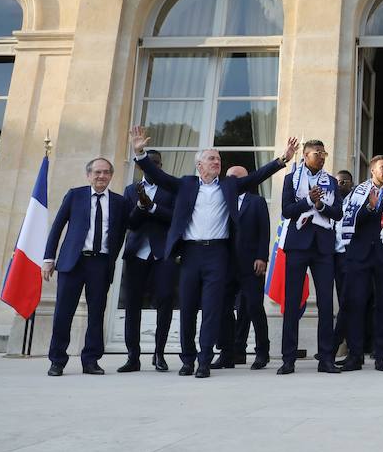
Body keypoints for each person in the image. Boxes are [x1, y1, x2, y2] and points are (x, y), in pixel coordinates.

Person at [129, 126, 298, 378]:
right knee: (187, 307)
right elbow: (160, 176)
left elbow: (257, 177)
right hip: (190, 254)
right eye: (211, 158)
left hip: (218, 254)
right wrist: (140, 153)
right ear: (199, 165)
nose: (217, 161)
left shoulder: (229, 186)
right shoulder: (186, 184)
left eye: (218, 159)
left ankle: (204, 360)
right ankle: (187, 359)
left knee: (212, 308)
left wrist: (283, 159)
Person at [43, 158, 130, 376]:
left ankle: (91, 360)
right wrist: (48, 258)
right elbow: (57, 227)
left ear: (111, 176)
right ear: (88, 175)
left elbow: (118, 235)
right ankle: (57, 361)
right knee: (63, 313)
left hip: (100, 264)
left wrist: (110, 259)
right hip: (72, 262)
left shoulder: (119, 202)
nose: (101, 176)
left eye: (106, 172)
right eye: (97, 172)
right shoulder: (75, 195)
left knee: (96, 314)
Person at [278, 140, 343, 375]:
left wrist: (319, 204)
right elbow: (286, 210)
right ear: (305, 155)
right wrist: (307, 201)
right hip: (298, 244)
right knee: (292, 301)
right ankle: (288, 359)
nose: (323, 157)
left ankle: (326, 358)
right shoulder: (291, 179)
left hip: (323, 247)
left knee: (326, 303)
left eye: (324, 153)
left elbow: (338, 212)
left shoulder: (332, 182)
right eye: (318, 153)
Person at [340, 155, 383, 371]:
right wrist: (370, 208)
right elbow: (350, 221)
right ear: (372, 171)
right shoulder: (359, 191)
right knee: (356, 304)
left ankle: (381, 356)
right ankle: (355, 356)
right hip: (359, 254)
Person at [118, 150, 176, 373]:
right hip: (136, 254)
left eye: (158, 164)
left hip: (163, 254)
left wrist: (153, 207)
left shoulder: (170, 188)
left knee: (165, 301)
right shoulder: (131, 190)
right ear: (141, 166)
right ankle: (133, 356)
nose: (154, 167)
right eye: (150, 164)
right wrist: (141, 206)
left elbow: (175, 217)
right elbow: (130, 223)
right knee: (132, 305)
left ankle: (159, 354)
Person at [212, 166, 272, 371]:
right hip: (225, 264)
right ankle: (227, 353)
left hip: (251, 263)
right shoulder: (220, 200)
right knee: (223, 309)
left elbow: (264, 231)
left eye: (236, 178)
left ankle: (262, 352)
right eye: (228, 177)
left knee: (254, 307)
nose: (231, 181)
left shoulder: (257, 202)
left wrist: (262, 257)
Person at [332, 169, 354, 357]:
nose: (339, 185)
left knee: (347, 301)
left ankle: (334, 345)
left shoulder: (355, 202)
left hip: (348, 257)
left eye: (343, 182)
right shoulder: (331, 202)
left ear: (350, 184)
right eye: (337, 182)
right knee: (341, 301)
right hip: (330, 257)